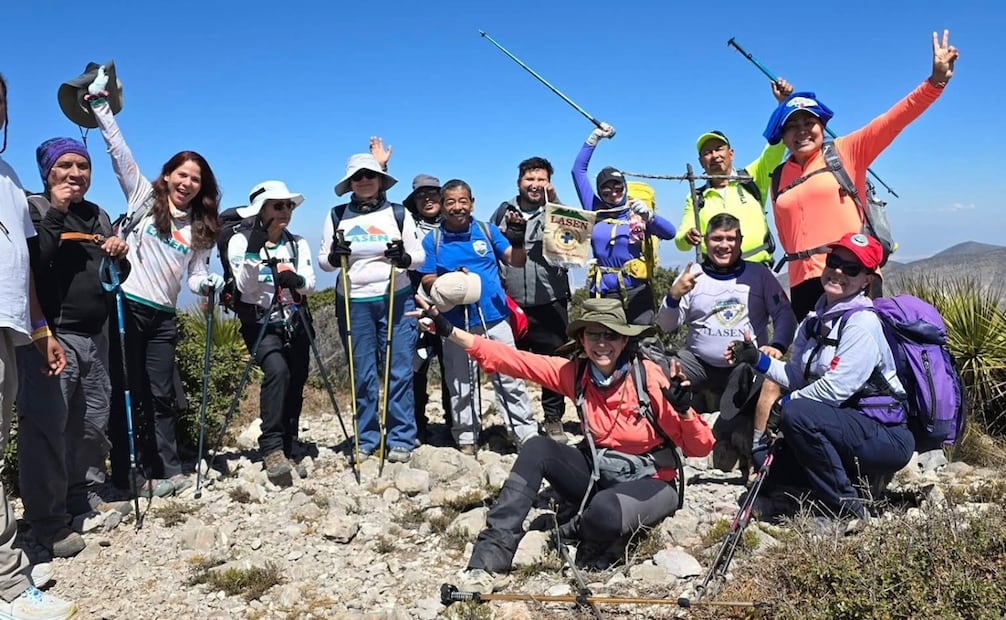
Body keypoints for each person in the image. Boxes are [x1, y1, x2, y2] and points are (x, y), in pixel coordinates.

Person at [408, 297, 713, 592]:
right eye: (594, 334)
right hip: (599, 474)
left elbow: (700, 448)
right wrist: (449, 331)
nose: (602, 343)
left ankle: (572, 528)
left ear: (624, 341)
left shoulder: (649, 378)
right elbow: (514, 360)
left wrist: (685, 410)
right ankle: (488, 560)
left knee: (603, 514)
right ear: (582, 339)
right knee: (537, 447)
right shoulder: (576, 374)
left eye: (611, 335)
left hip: (653, 481)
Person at [87, 67, 224, 498]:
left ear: (203, 187)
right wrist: (102, 109)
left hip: (164, 316)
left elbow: (196, 274)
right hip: (126, 306)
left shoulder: (201, 227)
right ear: (166, 176)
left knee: (161, 394)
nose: (186, 182)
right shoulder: (143, 200)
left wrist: (205, 286)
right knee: (127, 392)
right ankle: (128, 472)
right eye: (180, 174)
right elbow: (120, 154)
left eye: (195, 178)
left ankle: (166, 465)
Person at [766, 30, 959, 320]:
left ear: (822, 125)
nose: (802, 130)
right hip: (802, 283)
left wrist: (935, 82)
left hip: (853, 275)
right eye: (792, 126)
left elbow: (893, 121)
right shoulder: (779, 175)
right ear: (783, 136)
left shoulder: (846, 151)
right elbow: (785, 232)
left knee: (859, 357)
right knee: (812, 363)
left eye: (810, 122)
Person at [726, 233, 913, 526]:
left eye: (852, 269)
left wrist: (786, 403)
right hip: (846, 428)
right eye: (834, 261)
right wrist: (757, 360)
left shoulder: (862, 323)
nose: (838, 271)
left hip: (884, 435)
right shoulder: (815, 320)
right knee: (771, 466)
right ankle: (848, 480)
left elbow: (837, 388)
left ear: (866, 280)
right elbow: (797, 377)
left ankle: (847, 508)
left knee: (797, 413)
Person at [17, 137, 132, 559]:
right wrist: (59, 209)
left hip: (94, 333)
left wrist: (119, 253)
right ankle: (47, 521)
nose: (75, 174)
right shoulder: (33, 209)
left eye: (82, 166)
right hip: (50, 332)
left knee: (90, 421)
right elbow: (36, 260)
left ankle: (82, 496)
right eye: (64, 165)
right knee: (47, 427)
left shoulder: (97, 214)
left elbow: (110, 271)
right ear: (47, 171)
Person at [0, 72, 78, 620]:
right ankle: (7, 583)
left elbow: (23, 266)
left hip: (11, 328)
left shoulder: (5, 178)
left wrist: (40, 329)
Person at [658, 213, 795, 474]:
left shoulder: (758, 274)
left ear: (741, 240)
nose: (724, 245)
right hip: (699, 362)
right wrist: (674, 296)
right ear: (706, 241)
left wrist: (777, 345)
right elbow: (666, 325)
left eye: (731, 238)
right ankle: (661, 437)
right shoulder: (692, 275)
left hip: (745, 366)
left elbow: (784, 314)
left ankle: (752, 444)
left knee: (767, 374)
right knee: (658, 369)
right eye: (717, 238)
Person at [416, 179, 537, 454]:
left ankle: (525, 434)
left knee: (510, 378)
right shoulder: (432, 239)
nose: (457, 207)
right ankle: (466, 438)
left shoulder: (487, 230)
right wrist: (453, 283)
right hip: (455, 325)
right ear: (443, 206)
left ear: (472, 203)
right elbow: (427, 280)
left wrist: (518, 241)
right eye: (451, 202)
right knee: (461, 383)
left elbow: (515, 260)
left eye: (463, 201)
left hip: (495, 318)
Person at [318, 154, 425, 463]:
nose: (364, 180)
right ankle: (367, 438)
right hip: (353, 302)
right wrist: (336, 255)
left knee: (399, 370)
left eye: (370, 175)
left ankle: (401, 436)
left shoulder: (398, 213)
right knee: (362, 374)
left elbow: (417, 256)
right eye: (358, 176)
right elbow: (325, 261)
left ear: (380, 180)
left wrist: (403, 258)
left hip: (396, 296)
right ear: (350, 183)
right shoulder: (337, 215)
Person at [227, 181, 315, 486]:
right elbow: (246, 290)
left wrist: (295, 279)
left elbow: (311, 284)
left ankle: (290, 442)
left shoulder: (297, 243)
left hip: (296, 320)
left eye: (288, 205)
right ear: (261, 210)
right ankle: (272, 448)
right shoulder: (239, 243)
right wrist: (255, 251)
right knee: (277, 371)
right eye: (278, 205)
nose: (285, 211)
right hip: (260, 323)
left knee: (297, 378)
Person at [490, 157, 571, 442]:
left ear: (549, 183)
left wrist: (557, 205)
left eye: (541, 180)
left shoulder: (558, 212)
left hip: (551, 299)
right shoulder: (503, 212)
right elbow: (490, 250)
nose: (535, 185)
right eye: (530, 179)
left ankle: (553, 419)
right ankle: (517, 422)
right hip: (513, 302)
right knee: (511, 364)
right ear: (519, 182)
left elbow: (575, 246)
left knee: (556, 362)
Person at [675, 79, 794, 266]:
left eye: (719, 149)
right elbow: (680, 240)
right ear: (701, 161)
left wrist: (783, 105)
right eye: (707, 152)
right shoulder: (696, 197)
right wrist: (688, 237)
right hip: (716, 274)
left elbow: (775, 148)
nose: (714, 156)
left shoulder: (751, 177)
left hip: (757, 270)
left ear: (731, 153)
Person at [571, 124, 677, 325]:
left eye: (617, 187)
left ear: (625, 187)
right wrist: (594, 139)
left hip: (636, 291)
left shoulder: (637, 211)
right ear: (600, 192)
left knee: (643, 343)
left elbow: (670, 233)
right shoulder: (595, 208)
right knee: (607, 345)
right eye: (606, 189)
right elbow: (578, 171)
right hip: (603, 291)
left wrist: (650, 217)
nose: (612, 192)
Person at [402, 173, 452, 443]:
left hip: (448, 307)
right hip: (414, 305)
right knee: (415, 367)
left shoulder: (454, 225)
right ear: (414, 200)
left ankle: (454, 422)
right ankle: (416, 424)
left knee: (451, 366)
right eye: (422, 195)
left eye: (433, 193)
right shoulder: (406, 226)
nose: (428, 198)